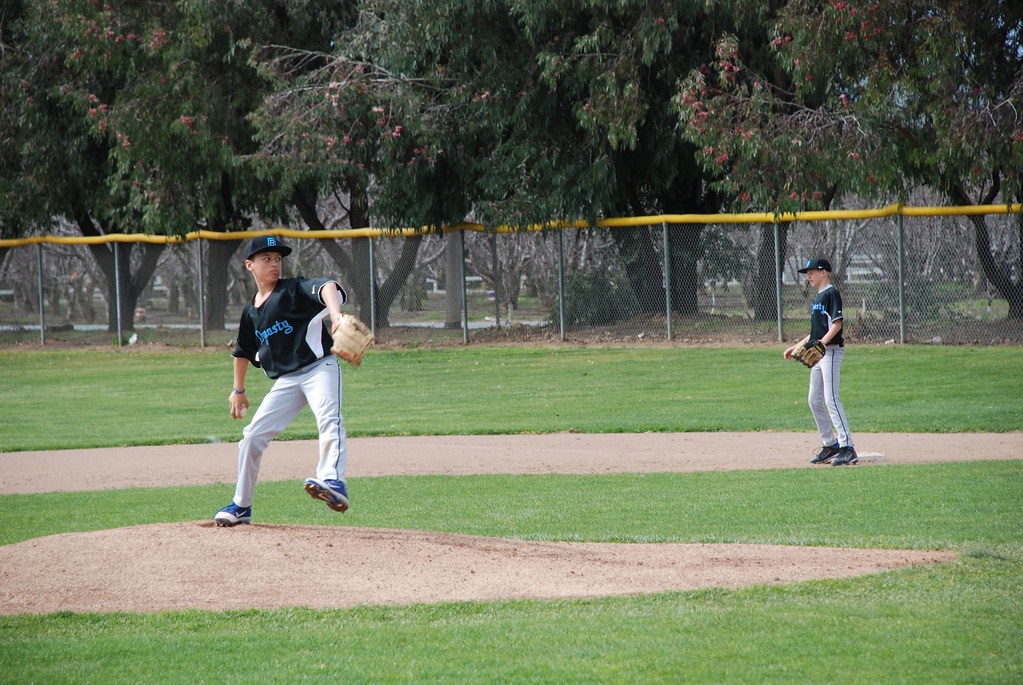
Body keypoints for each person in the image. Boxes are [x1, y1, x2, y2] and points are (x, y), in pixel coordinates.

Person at [214, 235, 352, 526]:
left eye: (278, 259)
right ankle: (241, 507)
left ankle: (333, 481)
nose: (274, 264)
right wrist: (238, 389)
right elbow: (243, 350)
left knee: (330, 419)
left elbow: (327, 286)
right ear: (249, 265)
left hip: (319, 368)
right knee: (252, 437)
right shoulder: (251, 312)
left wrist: (336, 316)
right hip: (287, 380)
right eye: (267, 259)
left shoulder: (293, 289)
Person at [784, 258, 857, 466]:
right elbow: (815, 332)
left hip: (831, 352)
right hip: (820, 353)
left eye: (812, 272)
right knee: (813, 399)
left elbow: (837, 324)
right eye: (807, 273)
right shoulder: (817, 298)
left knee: (831, 399)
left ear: (824, 272)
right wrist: (796, 346)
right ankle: (830, 444)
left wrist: (823, 344)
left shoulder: (831, 294)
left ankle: (847, 447)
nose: (809, 276)